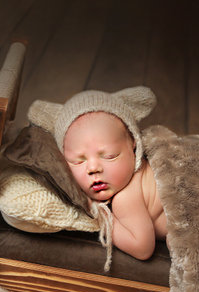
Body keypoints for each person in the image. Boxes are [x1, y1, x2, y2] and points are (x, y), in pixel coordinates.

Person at [28, 87, 167, 260]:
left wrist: (99, 215)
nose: (93, 168)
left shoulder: (126, 198)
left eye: (110, 156)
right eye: (78, 161)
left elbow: (143, 249)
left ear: (134, 145)